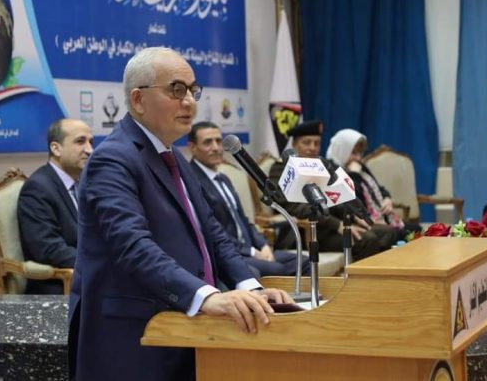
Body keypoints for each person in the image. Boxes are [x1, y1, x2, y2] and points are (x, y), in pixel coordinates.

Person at [67, 47, 292, 381]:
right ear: (138, 99)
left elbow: (212, 233)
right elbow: (133, 246)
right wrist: (205, 296)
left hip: (184, 326)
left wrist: (250, 287)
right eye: (176, 89)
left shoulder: (173, 157)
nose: (189, 101)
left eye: (192, 90)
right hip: (135, 337)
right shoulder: (112, 160)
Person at [188, 121, 310, 277]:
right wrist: (253, 252)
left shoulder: (223, 178)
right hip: (227, 255)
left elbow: (244, 220)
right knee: (276, 269)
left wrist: (263, 245)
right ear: (192, 147)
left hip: (251, 250)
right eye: (208, 142)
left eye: (218, 141)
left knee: (304, 262)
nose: (216, 147)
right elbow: (211, 231)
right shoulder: (192, 181)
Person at [268, 120, 396, 260]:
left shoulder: (319, 165)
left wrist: (354, 217)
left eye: (317, 143)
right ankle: (358, 275)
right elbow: (295, 207)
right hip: (307, 231)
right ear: (294, 144)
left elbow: (336, 196)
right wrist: (337, 225)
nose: (312, 148)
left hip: (333, 225)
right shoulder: (281, 169)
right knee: (366, 240)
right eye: (307, 143)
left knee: (387, 232)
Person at [17, 118, 93, 294]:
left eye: (91, 142)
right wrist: (98, 262)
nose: (90, 150)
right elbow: (48, 249)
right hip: (58, 286)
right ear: (56, 148)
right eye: (80, 142)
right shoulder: (38, 188)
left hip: (87, 277)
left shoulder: (82, 183)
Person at [326, 129, 420, 241]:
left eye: (360, 153)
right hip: (362, 222)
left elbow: (380, 188)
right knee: (396, 233)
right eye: (354, 153)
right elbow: (353, 201)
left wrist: (387, 199)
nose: (358, 158)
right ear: (342, 151)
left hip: (383, 218)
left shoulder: (360, 167)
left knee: (416, 229)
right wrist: (354, 175)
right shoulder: (333, 172)